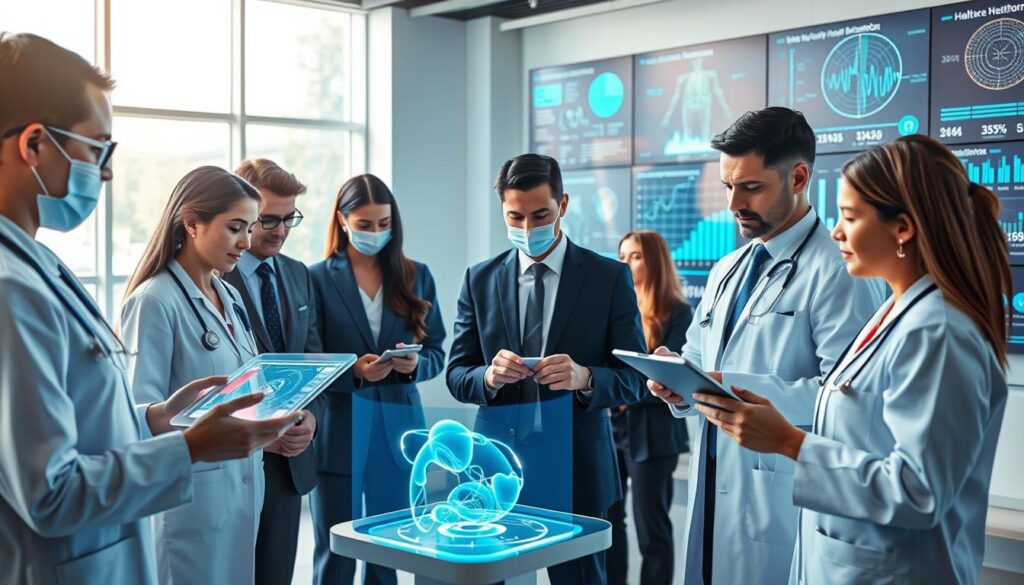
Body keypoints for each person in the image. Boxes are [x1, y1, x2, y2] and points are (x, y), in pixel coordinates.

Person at [0, 33, 299, 584]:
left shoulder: (37, 265)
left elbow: (90, 426)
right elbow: (48, 493)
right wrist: (186, 447)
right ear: (35, 144)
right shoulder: (11, 288)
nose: (107, 173)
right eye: (97, 149)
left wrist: (157, 419)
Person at [696, 135, 1009, 585]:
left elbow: (918, 492)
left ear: (901, 228)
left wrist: (790, 442)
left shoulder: (938, 331)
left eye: (849, 217)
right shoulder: (897, 314)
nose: (837, 232)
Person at [646, 107, 885, 585]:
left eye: (751, 187)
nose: (734, 202)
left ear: (798, 177)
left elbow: (852, 398)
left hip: (783, 495)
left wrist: (729, 388)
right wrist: (677, 381)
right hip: (715, 484)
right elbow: (699, 358)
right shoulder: (727, 269)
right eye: (727, 186)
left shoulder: (840, 271)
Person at [446, 153, 648, 585]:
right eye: (514, 217)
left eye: (541, 215)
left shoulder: (608, 278)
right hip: (493, 468)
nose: (527, 229)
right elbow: (457, 373)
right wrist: (486, 377)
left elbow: (635, 378)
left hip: (577, 466)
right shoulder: (479, 280)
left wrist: (587, 378)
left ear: (564, 205)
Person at [120, 166, 313, 584]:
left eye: (249, 228)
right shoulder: (154, 301)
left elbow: (247, 386)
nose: (247, 242)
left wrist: (278, 421)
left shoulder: (227, 295)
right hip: (189, 504)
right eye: (235, 228)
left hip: (243, 493)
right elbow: (134, 417)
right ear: (191, 223)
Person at [309, 174, 446, 585]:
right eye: (365, 224)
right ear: (343, 220)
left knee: (386, 548)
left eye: (384, 224)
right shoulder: (316, 277)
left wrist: (414, 367)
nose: (375, 232)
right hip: (340, 432)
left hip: (398, 433)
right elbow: (310, 357)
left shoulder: (415, 275)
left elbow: (437, 350)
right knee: (334, 551)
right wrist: (354, 370)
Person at [224, 158, 323, 585]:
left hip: (288, 465)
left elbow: (313, 359)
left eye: (288, 219)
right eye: (267, 219)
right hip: (234, 461)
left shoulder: (298, 274)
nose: (280, 231)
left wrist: (311, 419)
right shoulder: (215, 278)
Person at [607, 230, 691, 585]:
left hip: (654, 434)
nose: (625, 263)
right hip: (611, 430)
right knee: (609, 524)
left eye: (635, 256)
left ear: (653, 261)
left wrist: (622, 393)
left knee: (651, 528)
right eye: (622, 256)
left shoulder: (679, 313)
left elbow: (672, 376)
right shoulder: (615, 308)